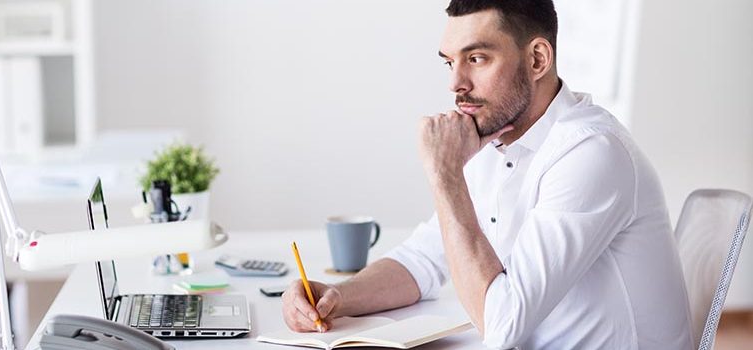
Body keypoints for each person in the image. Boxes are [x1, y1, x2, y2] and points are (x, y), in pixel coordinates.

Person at [281, 0, 693, 348]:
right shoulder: (495, 139)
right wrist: (335, 296)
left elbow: (503, 326)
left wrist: (445, 175)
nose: (456, 84)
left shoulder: (590, 152)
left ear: (537, 59)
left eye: (476, 59)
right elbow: (422, 260)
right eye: (449, 63)